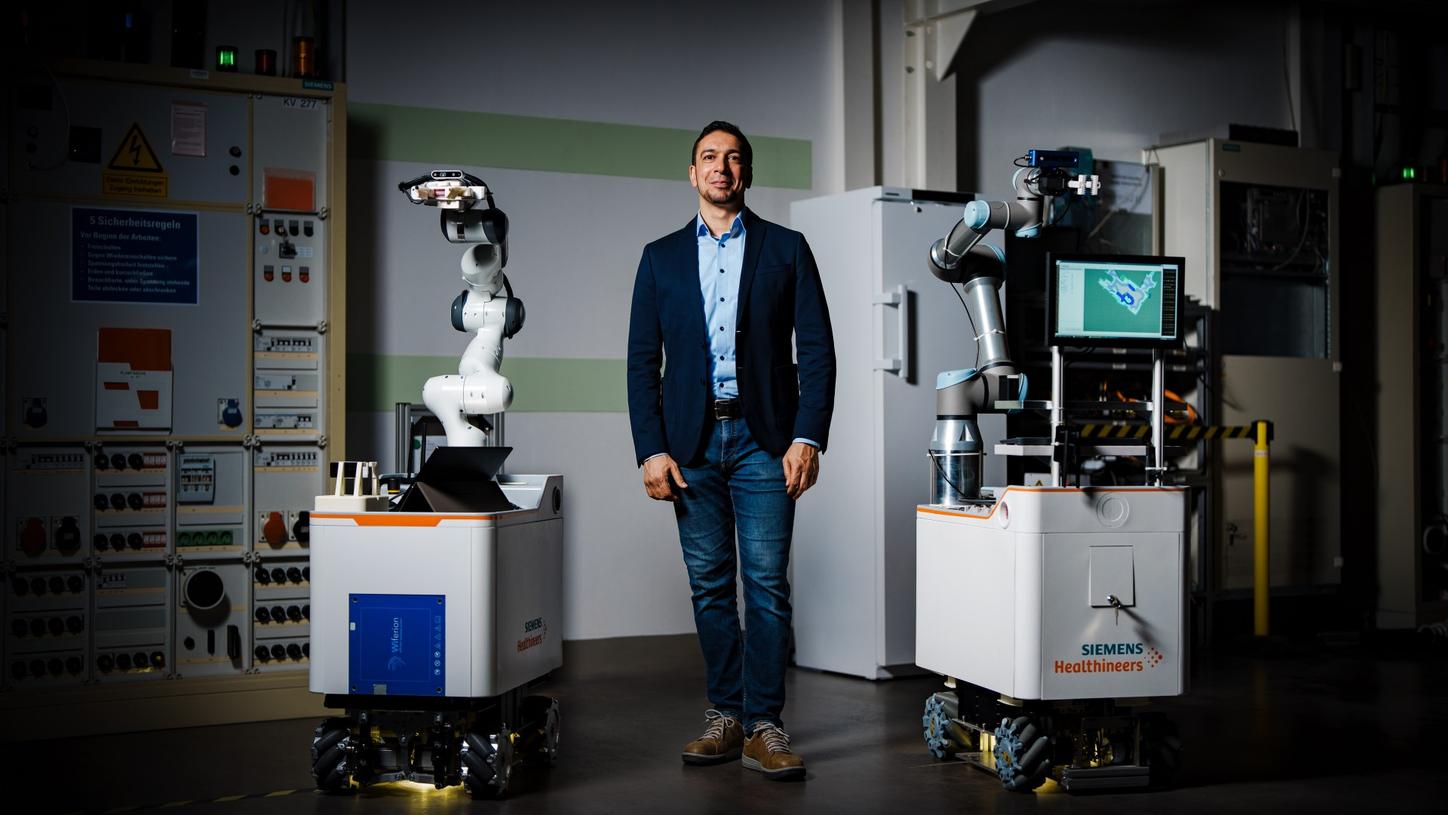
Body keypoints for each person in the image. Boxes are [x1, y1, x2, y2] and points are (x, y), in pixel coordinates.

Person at [626, 121, 836, 781]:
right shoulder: (659, 257)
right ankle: (725, 716)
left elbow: (819, 350)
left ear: (747, 173)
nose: (722, 167)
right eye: (710, 158)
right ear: (693, 174)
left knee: (768, 587)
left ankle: (766, 726)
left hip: (763, 441)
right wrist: (651, 449)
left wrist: (808, 436)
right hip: (688, 445)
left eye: (734, 158)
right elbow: (641, 362)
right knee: (711, 586)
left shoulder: (787, 249)